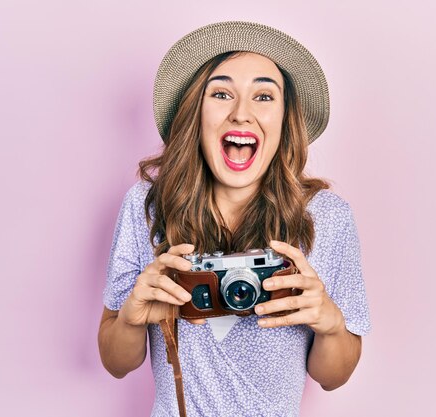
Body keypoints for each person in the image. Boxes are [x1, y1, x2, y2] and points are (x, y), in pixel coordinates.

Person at [98, 21, 370, 417]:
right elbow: (116, 362)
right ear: (196, 113)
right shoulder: (148, 206)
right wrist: (131, 316)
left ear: (284, 120)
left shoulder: (326, 217)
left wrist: (328, 321)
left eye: (263, 96)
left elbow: (332, 377)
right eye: (222, 93)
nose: (242, 114)